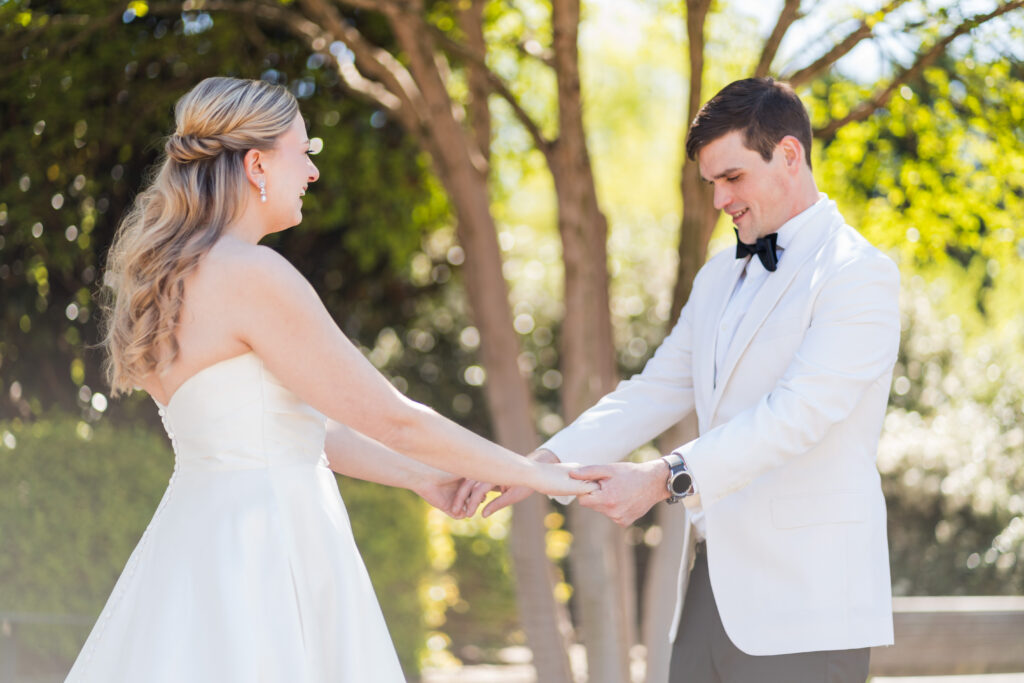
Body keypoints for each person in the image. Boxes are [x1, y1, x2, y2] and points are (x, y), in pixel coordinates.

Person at [66, 76, 594, 682]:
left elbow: (297, 430)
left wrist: (425, 479)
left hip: (197, 543)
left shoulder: (166, 284)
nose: (313, 173)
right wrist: (538, 474)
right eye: (305, 152)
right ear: (257, 163)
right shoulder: (254, 275)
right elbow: (392, 417)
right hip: (271, 550)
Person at [468, 78, 900, 682]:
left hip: (810, 601)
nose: (720, 199)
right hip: (710, 591)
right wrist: (535, 467)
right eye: (711, 184)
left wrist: (662, 478)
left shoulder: (859, 275)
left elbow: (796, 415)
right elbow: (652, 390)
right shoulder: (718, 277)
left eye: (733, 178)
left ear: (790, 155)